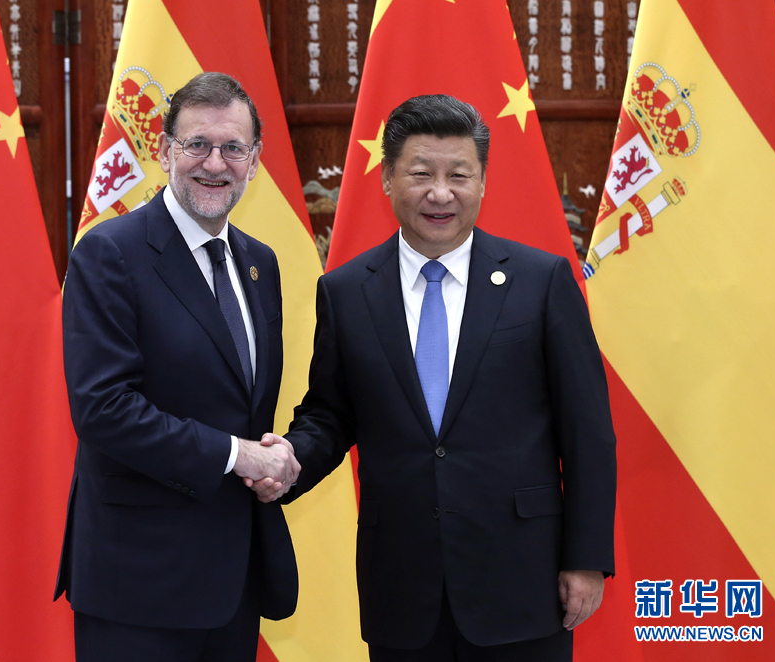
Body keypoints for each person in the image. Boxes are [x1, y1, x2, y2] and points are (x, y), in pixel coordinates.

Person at [252, 94, 617, 661]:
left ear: (482, 182)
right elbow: (331, 412)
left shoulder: (540, 281)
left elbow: (587, 431)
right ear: (387, 178)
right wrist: (289, 459)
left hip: (522, 578)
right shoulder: (346, 291)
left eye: (459, 175)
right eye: (421, 174)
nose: (440, 193)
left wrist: (586, 558)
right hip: (402, 585)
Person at [54, 72, 300, 662]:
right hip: (139, 584)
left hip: (233, 579)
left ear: (254, 161)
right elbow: (104, 409)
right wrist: (239, 455)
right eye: (197, 144)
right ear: (165, 151)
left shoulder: (260, 263)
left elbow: (243, 402)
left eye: (233, 147)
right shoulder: (108, 253)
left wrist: (276, 458)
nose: (215, 163)